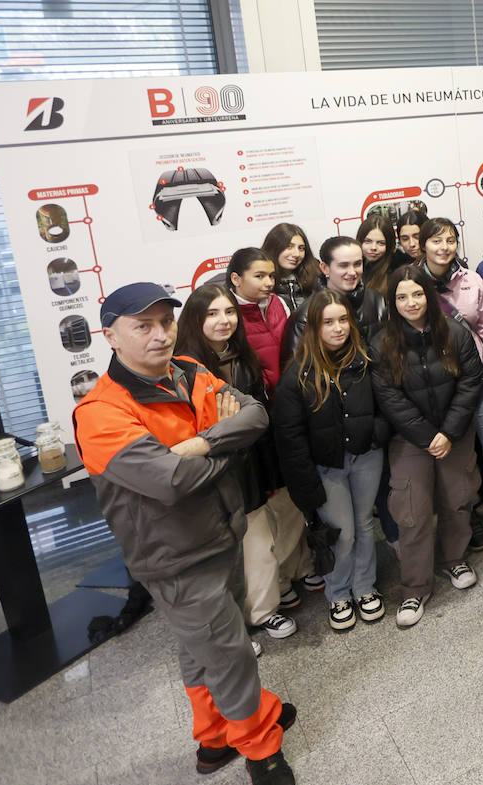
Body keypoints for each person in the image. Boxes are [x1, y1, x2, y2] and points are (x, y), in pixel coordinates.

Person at [72, 283, 295, 783]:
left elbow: (256, 415)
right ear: (111, 336)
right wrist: (225, 444)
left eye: (166, 322)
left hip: (221, 532)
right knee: (230, 653)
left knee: (205, 647)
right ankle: (261, 748)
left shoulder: (190, 371)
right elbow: (170, 482)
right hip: (175, 558)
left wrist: (199, 445)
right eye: (142, 326)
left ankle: (214, 740)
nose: (160, 335)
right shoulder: (101, 413)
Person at [177, 284, 317, 642]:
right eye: (212, 314)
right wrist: (227, 426)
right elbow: (210, 429)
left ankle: (284, 581)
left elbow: (253, 413)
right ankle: (261, 612)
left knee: (284, 514)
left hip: (261, 450)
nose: (223, 320)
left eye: (228, 312)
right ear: (195, 319)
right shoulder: (185, 367)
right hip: (223, 466)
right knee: (253, 537)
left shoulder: (241, 354)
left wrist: (238, 422)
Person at [372, 265, 483, 628]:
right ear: (392, 301)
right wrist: (426, 436)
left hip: (455, 434)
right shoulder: (381, 343)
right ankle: (415, 587)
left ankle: (454, 559)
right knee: (412, 511)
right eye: (402, 296)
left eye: (418, 294)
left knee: (458, 499)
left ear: (430, 295)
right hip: (410, 440)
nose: (411, 302)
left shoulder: (454, 332)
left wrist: (449, 432)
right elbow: (389, 397)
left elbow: (471, 382)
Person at [273, 291, 388, 632]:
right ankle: (339, 593)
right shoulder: (297, 375)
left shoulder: (366, 359)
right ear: (313, 327)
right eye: (328, 322)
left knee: (366, 524)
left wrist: (375, 435)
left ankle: (365, 588)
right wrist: (306, 488)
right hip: (327, 468)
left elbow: (385, 405)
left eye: (343, 320)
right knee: (342, 533)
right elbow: (289, 439)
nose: (338, 328)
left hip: (367, 456)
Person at [418, 215, 483, 551]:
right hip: (439, 387)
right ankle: (466, 514)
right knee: (456, 455)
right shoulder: (413, 285)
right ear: (423, 245)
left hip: (478, 378)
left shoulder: (471, 279)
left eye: (450, 240)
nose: (444, 247)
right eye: (436, 240)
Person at [283, 235, 387, 360]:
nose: (352, 272)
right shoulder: (306, 315)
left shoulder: (377, 300)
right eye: (343, 265)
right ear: (325, 268)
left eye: (357, 264)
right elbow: (299, 367)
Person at [226, 247, 288, 395]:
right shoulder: (227, 315)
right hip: (255, 400)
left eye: (271, 276)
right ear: (236, 279)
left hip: (290, 393)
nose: (269, 283)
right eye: (259, 276)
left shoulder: (278, 302)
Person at [262, 222, 320, 314]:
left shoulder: (316, 277)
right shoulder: (261, 284)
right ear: (274, 247)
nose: (296, 254)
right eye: (289, 247)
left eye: (301, 248)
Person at [357, 213, 396, 300]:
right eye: (368, 241)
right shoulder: (352, 269)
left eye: (381, 243)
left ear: (389, 246)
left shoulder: (395, 273)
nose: (373, 248)